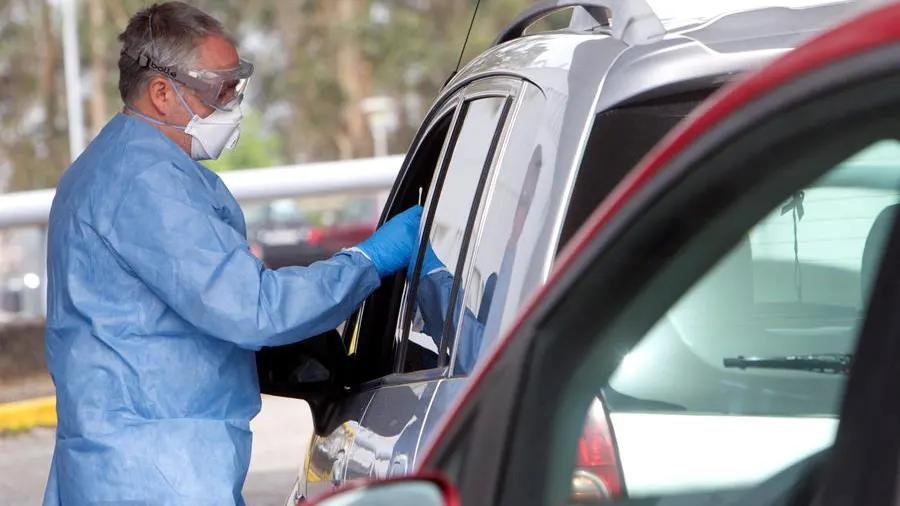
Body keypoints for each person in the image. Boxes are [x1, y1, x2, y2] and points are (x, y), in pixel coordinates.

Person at [41, 3, 421, 505]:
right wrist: (369, 260)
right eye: (221, 89)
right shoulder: (146, 182)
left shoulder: (117, 164)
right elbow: (253, 308)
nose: (234, 103)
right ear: (161, 93)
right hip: (155, 474)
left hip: (131, 463)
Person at [410, 145, 542, 374]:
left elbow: (487, 364)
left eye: (526, 204)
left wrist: (432, 283)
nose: (515, 220)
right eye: (520, 203)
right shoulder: (505, 279)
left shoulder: (542, 281)